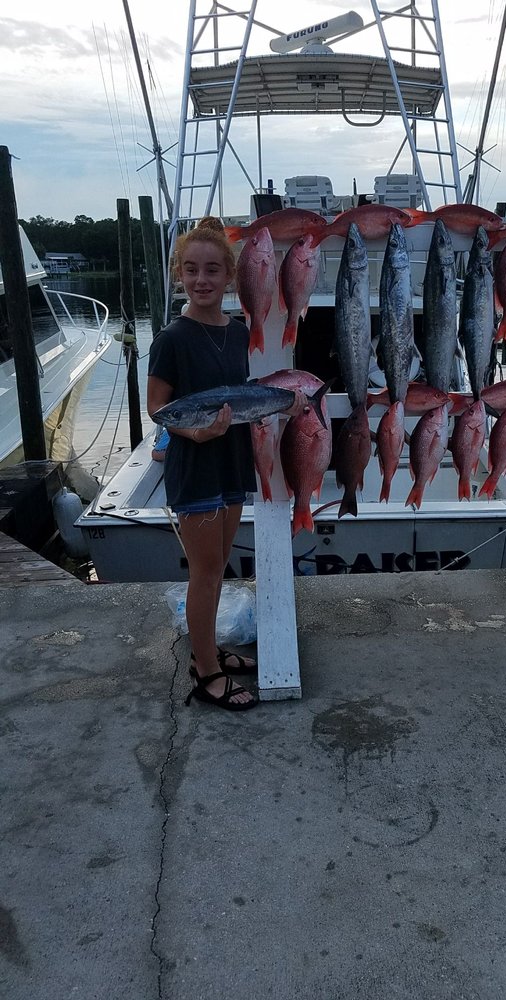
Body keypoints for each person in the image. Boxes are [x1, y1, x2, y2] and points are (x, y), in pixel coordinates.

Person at [147, 217, 264, 710]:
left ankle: (208, 651)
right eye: (191, 270)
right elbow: (158, 408)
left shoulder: (239, 333)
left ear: (230, 276)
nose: (202, 280)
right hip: (195, 465)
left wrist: (289, 405)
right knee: (207, 572)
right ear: (179, 275)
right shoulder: (171, 338)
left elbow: (246, 400)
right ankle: (207, 673)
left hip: (233, 462)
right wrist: (195, 432)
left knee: (221, 565)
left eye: (212, 270)